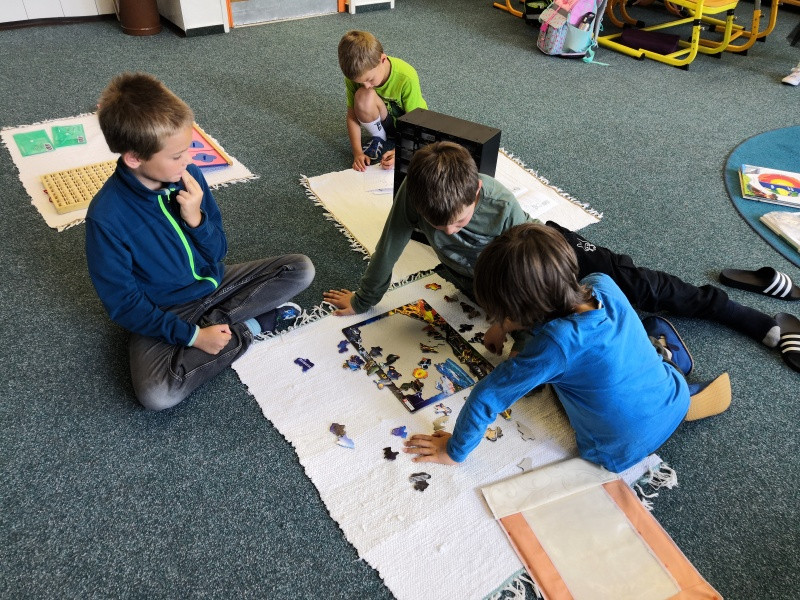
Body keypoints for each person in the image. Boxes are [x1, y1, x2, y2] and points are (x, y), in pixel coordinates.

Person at [323, 141, 788, 362]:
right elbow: (389, 245)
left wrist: (503, 322)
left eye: (459, 223)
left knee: (639, 284)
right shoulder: (414, 193)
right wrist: (364, 300)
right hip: (490, 282)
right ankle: (646, 342)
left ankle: (743, 315)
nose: (446, 233)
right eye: (435, 226)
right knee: (562, 338)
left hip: (543, 252)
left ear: (476, 195)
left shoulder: (502, 203)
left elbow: (526, 274)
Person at [402, 223, 731, 471]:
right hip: (674, 398)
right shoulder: (602, 283)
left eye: (502, 313)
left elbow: (486, 396)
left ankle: (660, 373)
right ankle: (668, 363)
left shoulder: (553, 344)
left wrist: (453, 451)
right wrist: (504, 324)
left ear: (522, 311)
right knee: (634, 341)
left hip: (614, 450)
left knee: (550, 376)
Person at [86, 72, 314, 411]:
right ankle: (246, 328)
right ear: (134, 157)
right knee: (157, 395)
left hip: (213, 283)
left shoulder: (188, 176)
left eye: (189, 148)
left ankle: (217, 330)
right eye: (176, 156)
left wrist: (196, 219)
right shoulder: (106, 217)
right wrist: (192, 336)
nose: (189, 160)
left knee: (300, 269)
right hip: (163, 310)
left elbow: (218, 251)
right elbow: (125, 305)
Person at [338, 30, 427, 172]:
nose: (366, 85)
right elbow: (352, 116)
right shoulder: (356, 75)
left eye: (370, 79)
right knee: (363, 95)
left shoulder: (406, 76)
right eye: (360, 82)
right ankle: (379, 136)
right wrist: (357, 152)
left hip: (411, 125)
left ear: (383, 60)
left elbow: (417, 122)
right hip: (385, 121)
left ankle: (395, 140)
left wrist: (402, 152)